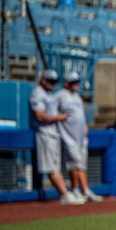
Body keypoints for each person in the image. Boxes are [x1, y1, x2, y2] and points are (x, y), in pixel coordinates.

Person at [28, 69, 81, 204]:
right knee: (51, 168)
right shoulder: (37, 93)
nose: (52, 84)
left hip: (54, 134)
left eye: (54, 82)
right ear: (43, 80)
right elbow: (39, 115)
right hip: (45, 133)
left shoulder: (50, 94)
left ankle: (66, 193)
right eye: (50, 81)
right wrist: (58, 118)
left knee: (56, 167)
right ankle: (65, 194)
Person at [54, 71, 103, 202]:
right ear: (66, 83)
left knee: (81, 165)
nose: (76, 85)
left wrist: (85, 126)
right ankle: (75, 190)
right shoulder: (60, 96)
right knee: (74, 164)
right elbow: (52, 112)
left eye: (77, 82)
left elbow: (80, 115)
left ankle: (85, 190)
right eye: (73, 82)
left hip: (81, 138)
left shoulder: (77, 97)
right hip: (68, 136)